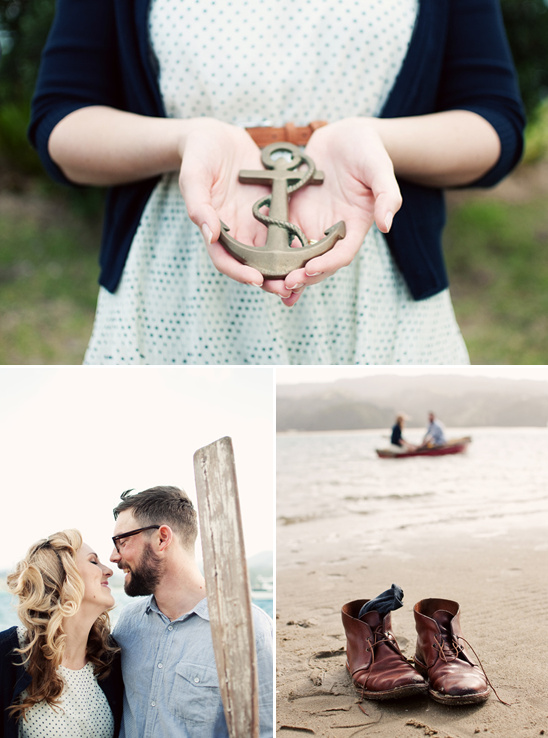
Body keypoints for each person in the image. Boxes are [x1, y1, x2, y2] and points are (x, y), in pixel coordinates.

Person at [28, 0, 525, 365]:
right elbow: (61, 120)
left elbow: (494, 123)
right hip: (170, 287)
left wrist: (369, 138)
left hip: (379, 289)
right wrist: (187, 139)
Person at [109, 486, 273, 737]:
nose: (113, 556)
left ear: (162, 539)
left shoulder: (247, 629)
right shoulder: (128, 624)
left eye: (122, 541)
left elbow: (263, 729)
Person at [0, 529, 123, 738]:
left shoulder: (111, 658)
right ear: (64, 579)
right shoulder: (8, 652)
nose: (108, 570)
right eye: (94, 562)